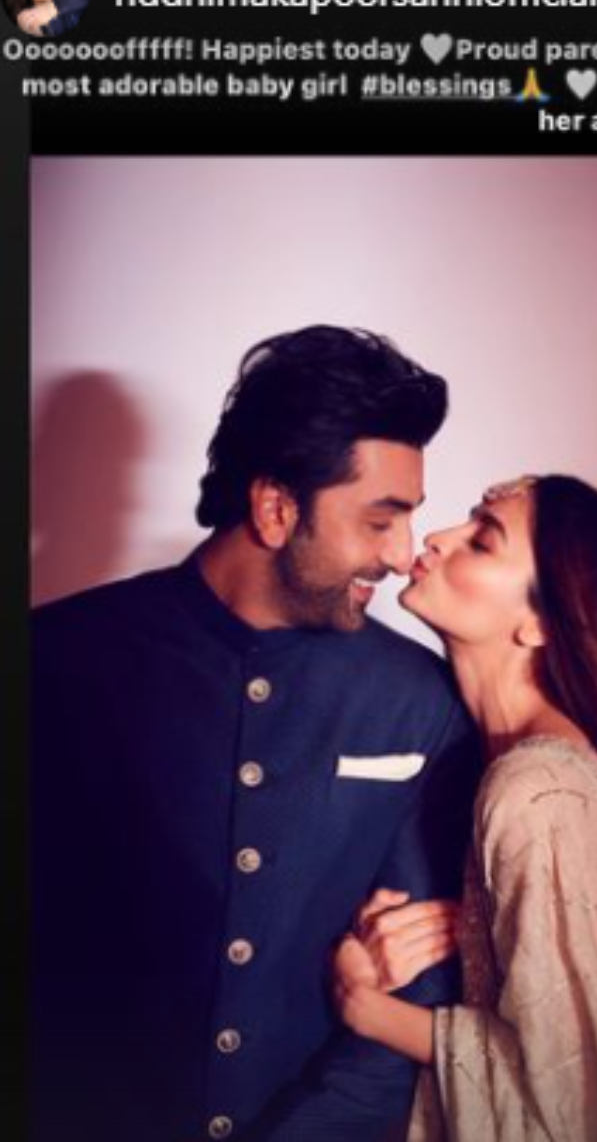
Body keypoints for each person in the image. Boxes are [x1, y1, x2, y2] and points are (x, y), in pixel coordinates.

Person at [32, 325, 480, 1142]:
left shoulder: (422, 701)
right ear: (276, 508)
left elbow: (420, 993)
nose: (402, 555)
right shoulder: (55, 660)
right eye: (379, 520)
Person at [333, 474, 597, 1141]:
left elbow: (572, 1097)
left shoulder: (536, 789)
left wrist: (363, 1005)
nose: (438, 537)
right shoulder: (515, 762)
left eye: (482, 541)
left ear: (540, 622)